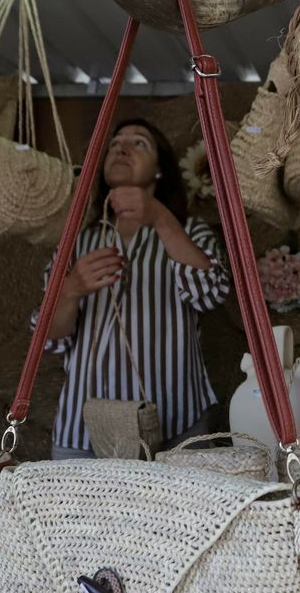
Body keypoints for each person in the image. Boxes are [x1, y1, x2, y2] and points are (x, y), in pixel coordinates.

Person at [40, 119, 230, 459]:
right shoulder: (76, 241)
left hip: (177, 429)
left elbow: (211, 292)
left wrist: (159, 217)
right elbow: (51, 338)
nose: (121, 148)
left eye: (139, 142)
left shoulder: (189, 232)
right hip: (83, 434)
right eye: (115, 143)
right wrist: (70, 290)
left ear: (160, 172)